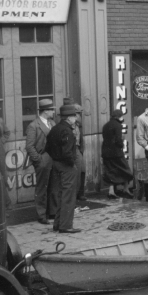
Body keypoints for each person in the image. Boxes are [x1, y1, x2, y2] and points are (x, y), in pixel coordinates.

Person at [45, 104, 81, 233]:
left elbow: (47, 148)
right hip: (66, 166)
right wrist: (72, 163)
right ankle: (65, 226)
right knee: (68, 196)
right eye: (74, 116)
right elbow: (67, 153)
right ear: (69, 118)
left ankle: (58, 224)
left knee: (61, 194)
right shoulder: (68, 131)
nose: (75, 118)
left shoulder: (55, 129)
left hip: (56, 164)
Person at [25, 99, 57, 225]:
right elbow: (29, 146)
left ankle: (52, 212)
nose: (53, 112)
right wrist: (38, 160)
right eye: (51, 109)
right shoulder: (34, 125)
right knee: (42, 188)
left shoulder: (52, 123)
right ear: (45, 111)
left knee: (53, 186)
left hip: (53, 159)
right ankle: (41, 215)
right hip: (42, 160)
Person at [102, 109, 134, 199]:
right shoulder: (118, 126)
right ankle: (126, 189)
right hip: (116, 153)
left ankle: (111, 191)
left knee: (111, 171)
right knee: (126, 170)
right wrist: (122, 142)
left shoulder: (105, 125)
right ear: (119, 117)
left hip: (106, 153)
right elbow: (118, 140)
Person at [64, 98, 87, 201]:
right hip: (73, 148)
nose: (77, 115)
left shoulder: (77, 123)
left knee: (82, 170)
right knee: (76, 172)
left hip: (77, 147)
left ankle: (80, 193)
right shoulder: (67, 121)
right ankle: (75, 195)